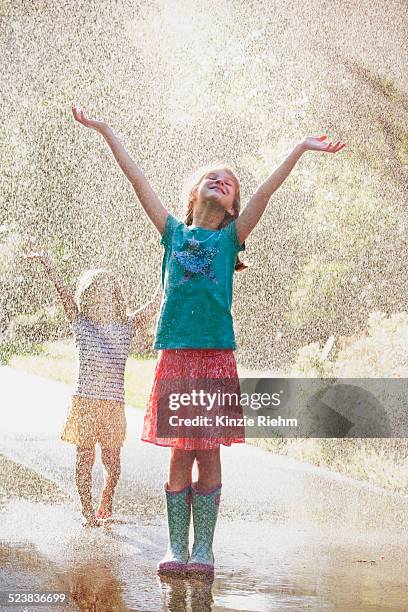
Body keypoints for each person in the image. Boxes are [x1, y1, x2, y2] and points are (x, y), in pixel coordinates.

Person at [71, 104, 346, 573]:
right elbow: (138, 180)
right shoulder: (173, 233)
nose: (222, 181)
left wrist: (300, 148)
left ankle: (205, 550)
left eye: (230, 182)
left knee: (209, 452)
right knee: (180, 453)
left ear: (234, 205)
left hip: (215, 360)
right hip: (175, 359)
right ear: (194, 193)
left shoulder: (231, 238)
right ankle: (177, 548)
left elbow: (267, 191)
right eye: (213, 177)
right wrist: (106, 130)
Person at [26, 252, 161, 527]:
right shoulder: (81, 323)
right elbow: (64, 295)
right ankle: (87, 510)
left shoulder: (126, 326)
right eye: (94, 296)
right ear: (85, 300)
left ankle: (107, 494)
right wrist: (50, 266)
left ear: (116, 300)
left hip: (112, 407)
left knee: (113, 463)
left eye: (106, 296)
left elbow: (155, 304)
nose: (101, 301)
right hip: (85, 404)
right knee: (84, 459)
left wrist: (167, 269)